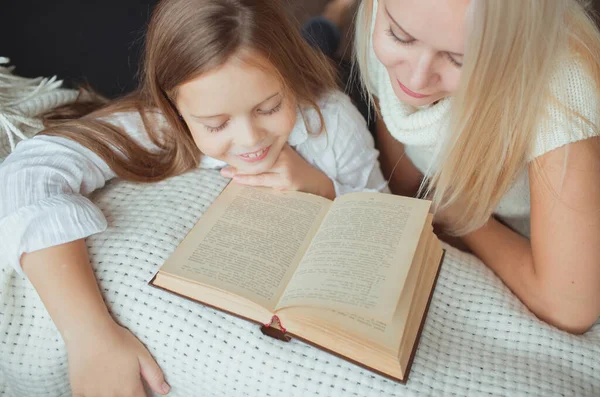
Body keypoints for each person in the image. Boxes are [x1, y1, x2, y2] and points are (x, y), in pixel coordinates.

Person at [0, 0, 387, 395]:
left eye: (270, 107)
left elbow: (389, 216)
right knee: (317, 36)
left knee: (319, 44)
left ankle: (334, 17)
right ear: (176, 109)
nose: (251, 140)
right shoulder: (159, 125)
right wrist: (89, 335)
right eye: (216, 124)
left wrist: (322, 187)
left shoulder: (332, 119)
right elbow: (29, 173)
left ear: (288, 81)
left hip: (311, 64)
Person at [354, 0, 600, 334]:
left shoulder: (561, 91)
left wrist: (458, 214)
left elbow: (569, 307)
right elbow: (404, 173)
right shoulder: (386, 16)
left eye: (459, 59)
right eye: (399, 36)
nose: (416, 78)